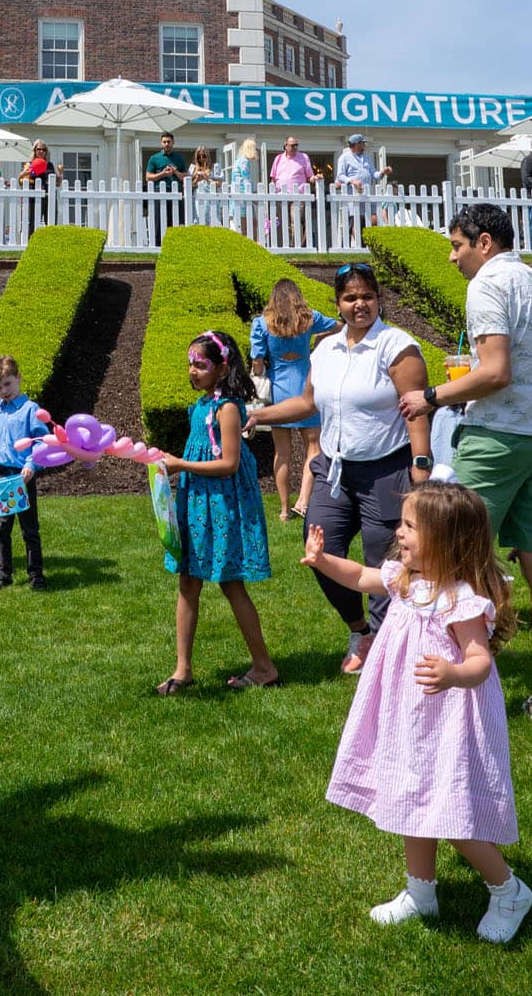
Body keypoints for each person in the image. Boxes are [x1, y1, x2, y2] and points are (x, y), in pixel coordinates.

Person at [306, 481, 532, 944]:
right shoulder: (405, 579)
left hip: (448, 717)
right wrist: (323, 561)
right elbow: (362, 577)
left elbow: (480, 661)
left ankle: (508, 890)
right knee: (411, 795)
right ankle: (420, 892)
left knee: (449, 812)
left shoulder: (460, 598)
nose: (400, 532)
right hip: (408, 713)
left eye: (411, 526)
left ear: (447, 541)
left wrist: (452, 673)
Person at [398, 204, 532, 732]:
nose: (453, 257)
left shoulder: (486, 285)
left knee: (450, 555)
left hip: (497, 437)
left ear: (482, 241)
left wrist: (430, 396)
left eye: (456, 246)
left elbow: (495, 372)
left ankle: (446, 682)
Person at [251, 263, 432, 674]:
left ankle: (387, 653)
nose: (359, 305)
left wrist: (420, 473)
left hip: (386, 471)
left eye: (367, 296)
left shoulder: (397, 347)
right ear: (338, 304)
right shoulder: (326, 348)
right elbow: (308, 403)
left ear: (378, 299)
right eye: (350, 298)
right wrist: (261, 416)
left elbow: (416, 413)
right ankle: (360, 630)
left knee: (385, 563)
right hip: (334, 471)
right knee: (320, 550)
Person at [156, 331, 275, 695]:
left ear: (222, 368)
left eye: (200, 364)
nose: (192, 370)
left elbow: (228, 463)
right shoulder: (201, 407)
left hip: (222, 505)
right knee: (188, 582)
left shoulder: (226, 409)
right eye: (190, 364)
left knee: (229, 582)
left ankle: (264, 666)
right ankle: (183, 669)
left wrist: (181, 464)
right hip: (197, 504)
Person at [248, 278, 334, 522]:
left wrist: (258, 368)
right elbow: (340, 326)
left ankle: (285, 510)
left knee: (282, 453)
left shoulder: (262, 323)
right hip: (308, 386)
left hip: (278, 390)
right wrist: (319, 340)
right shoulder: (309, 318)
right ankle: (304, 500)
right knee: (313, 449)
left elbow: (257, 362)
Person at [0, 355, 50, 591]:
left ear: (18, 378)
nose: (4, 391)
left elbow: (42, 442)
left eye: (7, 384)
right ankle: (3, 573)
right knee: (1, 527)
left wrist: (31, 463)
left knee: (29, 528)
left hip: (22, 474)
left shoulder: (31, 410)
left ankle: (36, 574)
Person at [335, 134, 391, 242]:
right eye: (362, 143)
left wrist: (383, 172)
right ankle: (351, 246)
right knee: (353, 222)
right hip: (352, 196)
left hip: (367, 194)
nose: (364, 145)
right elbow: (340, 176)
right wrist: (352, 181)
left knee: (373, 219)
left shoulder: (366, 158)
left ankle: (365, 244)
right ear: (356, 144)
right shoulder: (344, 158)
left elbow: (374, 173)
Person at [271, 135, 318, 245]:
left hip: (298, 195)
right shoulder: (278, 159)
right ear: (285, 146)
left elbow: (310, 176)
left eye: (296, 145)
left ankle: (296, 247)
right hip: (281, 195)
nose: (295, 147)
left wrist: (315, 178)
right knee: (283, 223)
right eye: (292, 145)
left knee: (295, 222)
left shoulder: (303, 157)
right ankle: (284, 246)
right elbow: (273, 177)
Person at [144, 131, 187, 247]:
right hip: (159, 192)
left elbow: (185, 178)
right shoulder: (154, 158)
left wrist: (175, 171)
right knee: (158, 220)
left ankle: (174, 246)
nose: (167, 144)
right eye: (164, 142)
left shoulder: (179, 158)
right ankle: (157, 246)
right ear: (161, 143)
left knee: (175, 221)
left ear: (173, 143)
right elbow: (148, 177)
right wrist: (162, 174)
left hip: (175, 192)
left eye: (169, 142)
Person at [17, 140, 60, 240]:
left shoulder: (50, 165)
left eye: (43, 150)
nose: (41, 152)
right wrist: (23, 173)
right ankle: (31, 244)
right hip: (34, 197)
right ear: (35, 150)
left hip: (49, 197)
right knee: (33, 223)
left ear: (46, 152)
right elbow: (20, 182)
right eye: (39, 149)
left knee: (51, 223)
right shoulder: (29, 164)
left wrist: (60, 175)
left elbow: (57, 184)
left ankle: (50, 245)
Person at [228, 138, 259, 239]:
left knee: (245, 225)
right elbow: (246, 180)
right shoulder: (244, 162)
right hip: (242, 199)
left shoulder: (239, 160)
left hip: (238, 197)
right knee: (248, 226)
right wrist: (252, 196)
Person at [189, 146, 222, 226]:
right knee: (199, 221)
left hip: (212, 197)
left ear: (208, 156)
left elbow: (219, 184)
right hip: (197, 198)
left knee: (213, 221)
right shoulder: (193, 168)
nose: (201, 158)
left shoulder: (215, 167)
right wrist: (196, 181)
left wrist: (207, 179)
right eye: (199, 156)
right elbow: (187, 186)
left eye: (204, 156)